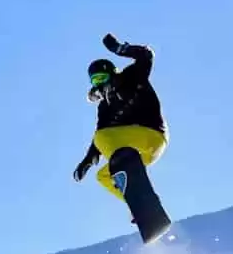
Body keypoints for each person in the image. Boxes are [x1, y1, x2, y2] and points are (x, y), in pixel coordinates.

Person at [72, 33, 168, 221]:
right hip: (141, 152)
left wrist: (119, 49)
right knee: (104, 177)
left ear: (111, 73)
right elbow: (99, 140)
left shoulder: (131, 77)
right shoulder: (105, 107)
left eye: (101, 78)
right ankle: (142, 205)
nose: (99, 85)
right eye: (95, 81)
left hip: (152, 136)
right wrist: (87, 162)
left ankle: (124, 165)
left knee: (102, 137)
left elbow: (146, 56)